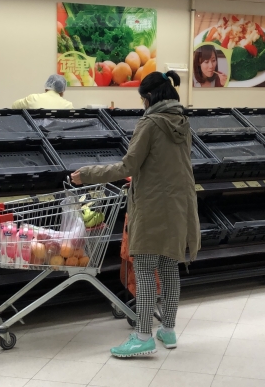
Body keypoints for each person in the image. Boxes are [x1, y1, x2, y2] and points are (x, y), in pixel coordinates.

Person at [70, 71, 200, 358]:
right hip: (179, 204)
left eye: (143, 99)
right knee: (169, 267)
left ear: (149, 97)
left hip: (153, 205)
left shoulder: (150, 123)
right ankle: (168, 330)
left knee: (144, 270)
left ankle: (142, 336)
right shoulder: (183, 122)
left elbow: (128, 166)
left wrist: (89, 174)